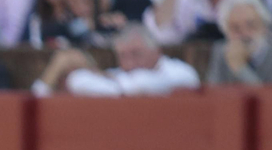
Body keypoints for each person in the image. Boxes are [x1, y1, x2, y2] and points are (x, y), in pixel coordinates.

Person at [32, 23, 201, 94]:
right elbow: (78, 80)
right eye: (123, 56)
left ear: (156, 52)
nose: (129, 62)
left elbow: (136, 86)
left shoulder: (177, 71)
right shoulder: (118, 75)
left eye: (136, 54)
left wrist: (95, 72)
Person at [207, 0, 272, 82]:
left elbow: (266, 91)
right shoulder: (221, 52)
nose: (244, 34)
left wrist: (240, 68)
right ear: (226, 32)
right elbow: (212, 89)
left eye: (251, 25)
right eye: (236, 28)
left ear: (264, 27)